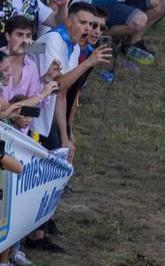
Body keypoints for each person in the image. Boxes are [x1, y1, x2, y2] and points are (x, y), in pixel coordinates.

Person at [34, 2, 111, 156]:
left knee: (66, 152)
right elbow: (56, 85)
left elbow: (62, 95)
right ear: (68, 22)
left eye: (91, 24)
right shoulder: (53, 40)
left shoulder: (74, 47)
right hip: (31, 118)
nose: (88, 29)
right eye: (83, 23)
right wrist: (87, 63)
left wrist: (65, 136)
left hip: (48, 117)